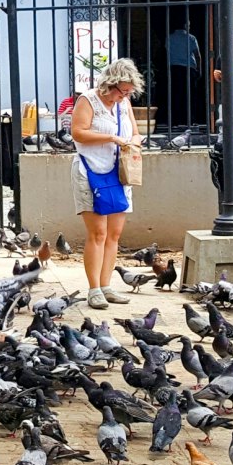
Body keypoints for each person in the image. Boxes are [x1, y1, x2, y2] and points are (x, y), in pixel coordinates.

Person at [70, 58, 142, 309]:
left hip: (118, 172)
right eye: (122, 90)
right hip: (91, 170)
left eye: (129, 91)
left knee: (114, 233)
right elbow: (78, 132)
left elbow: (134, 131)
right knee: (97, 232)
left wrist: (133, 140)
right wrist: (112, 137)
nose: (124, 96)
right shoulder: (88, 100)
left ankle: (107, 285)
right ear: (109, 84)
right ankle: (94, 289)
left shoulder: (124, 103)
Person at [164, 24, 202, 129]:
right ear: (186, 26)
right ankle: (191, 120)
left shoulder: (169, 37)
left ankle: (174, 121)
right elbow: (197, 55)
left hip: (174, 68)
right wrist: (199, 70)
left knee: (175, 95)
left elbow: (166, 52)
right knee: (190, 95)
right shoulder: (191, 38)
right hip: (189, 69)